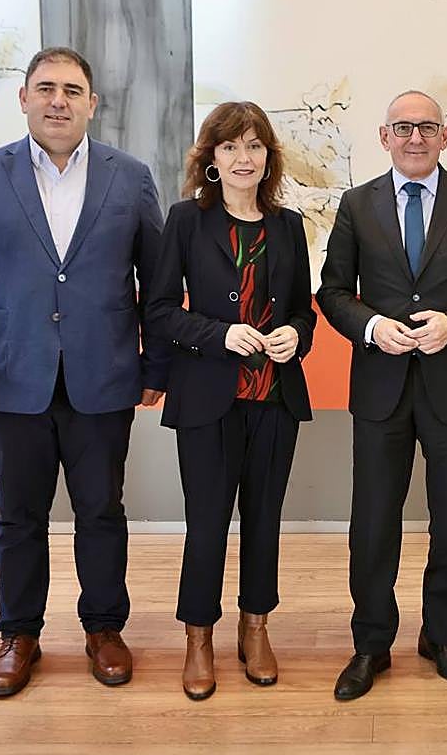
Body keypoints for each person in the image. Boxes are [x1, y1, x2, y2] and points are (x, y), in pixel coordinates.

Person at [0, 46, 168, 697]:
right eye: (47, 88)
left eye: (73, 90)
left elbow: (158, 284)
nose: (59, 100)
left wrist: (157, 364)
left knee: (102, 512)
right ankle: (18, 634)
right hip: (13, 376)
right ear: (25, 98)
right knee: (18, 517)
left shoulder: (130, 176)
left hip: (104, 377)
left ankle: (104, 629)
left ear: (92, 104)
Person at [317, 90, 447, 700]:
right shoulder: (357, 204)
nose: (414, 138)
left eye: (427, 127)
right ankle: (371, 643)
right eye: (402, 127)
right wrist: (372, 327)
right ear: (384, 137)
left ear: (444, 137)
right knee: (373, 521)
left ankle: (442, 636)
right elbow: (332, 291)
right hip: (380, 386)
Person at [145, 102, 315, 700]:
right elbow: (159, 310)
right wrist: (217, 334)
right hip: (207, 399)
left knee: (264, 520)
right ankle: (198, 639)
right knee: (207, 523)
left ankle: (255, 627)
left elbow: (303, 311)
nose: (244, 158)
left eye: (255, 146)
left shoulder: (288, 226)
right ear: (211, 158)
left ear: (268, 157)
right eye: (230, 146)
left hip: (274, 398)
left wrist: (295, 335)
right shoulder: (186, 221)